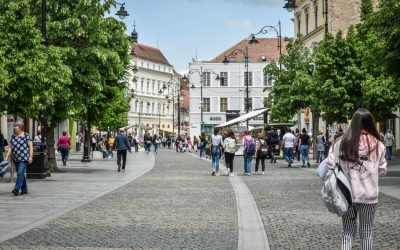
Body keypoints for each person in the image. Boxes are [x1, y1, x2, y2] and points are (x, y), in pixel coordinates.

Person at [326, 108, 387, 250]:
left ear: (353, 123)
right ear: (370, 123)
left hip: (346, 195)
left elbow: (330, 165)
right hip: (369, 195)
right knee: (366, 233)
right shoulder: (378, 145)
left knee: (347, 231)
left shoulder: (340, 142)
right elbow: (382, 171)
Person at [5, 121, 33, 196]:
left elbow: (30, 146)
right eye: (14, 126)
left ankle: (16, 189)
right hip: (15, 158)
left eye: (16, 126)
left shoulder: (26, 135)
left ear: (20, 127)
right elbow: (10, 148)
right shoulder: (13, 136)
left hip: (24, 158)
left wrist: (30, 156)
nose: (14, 128)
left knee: (20, 172)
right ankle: (24, 189)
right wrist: (7, 156)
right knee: (21, 174)